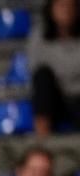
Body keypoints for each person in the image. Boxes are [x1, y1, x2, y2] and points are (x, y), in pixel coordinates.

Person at [30, 0, 80, 136]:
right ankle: (43, 139)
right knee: (42, 77)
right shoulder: (39, 36)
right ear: (51, 9)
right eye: (62, 6)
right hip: (55, 99)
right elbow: (35, 68)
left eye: (71, 6)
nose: (66, 11)